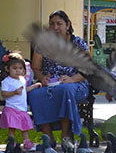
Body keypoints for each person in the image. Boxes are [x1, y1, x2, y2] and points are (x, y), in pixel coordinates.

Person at [30, 10, 89, 140]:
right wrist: (41, 78)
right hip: (51, 84)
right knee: (35, 94)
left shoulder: (78, 43)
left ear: (68, 25)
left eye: (59, 24)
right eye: (51, 24)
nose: (55, 28)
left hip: (76, 83)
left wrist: (71, 79)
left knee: (65, 90)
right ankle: (47, 136)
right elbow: (36, 68)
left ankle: (66, 135)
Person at [0, 51, 42, 150]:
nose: (18, 71)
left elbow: (24, 91)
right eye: (14, 68)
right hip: (11, 108)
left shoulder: (22, 80)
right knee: (12, 127)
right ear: (7, 69)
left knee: (24, 127)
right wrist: (14, 92)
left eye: (20, 68)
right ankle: (11, 142)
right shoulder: (7, 81)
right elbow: (4, 94)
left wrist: (33, 86)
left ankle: (27, 142)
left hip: (22, 108)